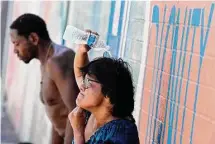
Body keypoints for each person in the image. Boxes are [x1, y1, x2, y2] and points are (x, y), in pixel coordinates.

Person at [10, 13, 79, 144]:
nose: (15, 50)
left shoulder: (57, 62)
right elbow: (58, 114)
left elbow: (76, 111)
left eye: (17, 43)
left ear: (33, 38)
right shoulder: (46, 62)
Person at [68, 30, 140, 144]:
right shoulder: (93, 114)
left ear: (108, 95)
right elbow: (79, 72)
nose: (82, 86)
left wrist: (78, 132)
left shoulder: (121, 134)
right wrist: (82, 50)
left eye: (88, 82)